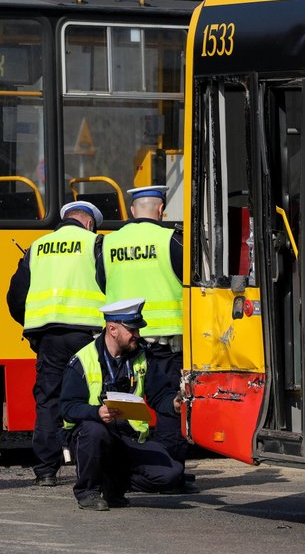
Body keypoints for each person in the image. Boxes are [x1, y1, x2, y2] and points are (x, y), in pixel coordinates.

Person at [6, 201, 106, 486]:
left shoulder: (37, 247)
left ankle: (46, 472)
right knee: (92, 397)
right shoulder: (94, 244)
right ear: (89, 223)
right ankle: (88, 467)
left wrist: (33, 324)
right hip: (88, 336)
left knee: (48, 400)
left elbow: (15, 298)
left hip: (48, 338)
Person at [96, 185, 191, 480]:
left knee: (124, 405)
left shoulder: (109, 244)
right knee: (168, 407)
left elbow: (102, 282)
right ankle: (168, 470)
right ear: (161, 210)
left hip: (123, 339)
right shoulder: (171, 241)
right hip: (166, 339)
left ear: (132, 211)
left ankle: (126, 468)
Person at [60, 298, 185, 511]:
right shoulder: (83, 360)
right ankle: (87, 492)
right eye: (132, 330)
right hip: (97, 435)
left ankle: (114, 485)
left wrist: (174, 403)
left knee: (172, 474)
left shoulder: (142, 356)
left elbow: (159, 395)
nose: (138, 335)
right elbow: (67, 408)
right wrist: (96, 412)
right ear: (112, 329)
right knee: (94, 431)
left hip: (129, 438)